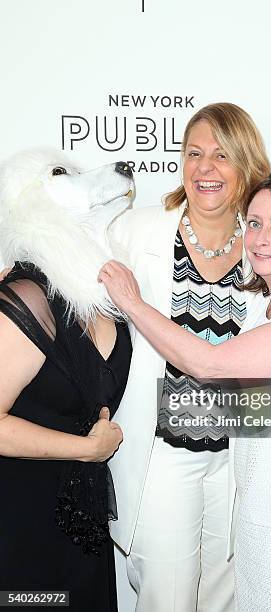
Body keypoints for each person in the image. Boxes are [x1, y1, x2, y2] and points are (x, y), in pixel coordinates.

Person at [106, 103, 271, 612]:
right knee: (168, 594)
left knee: (232, 594)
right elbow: (72, 274)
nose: (205, 168)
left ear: (245, 163)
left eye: (221, 154)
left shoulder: (262, 247)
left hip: (240, 457)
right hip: (166, 446)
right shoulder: (135, 232)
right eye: (193, 153)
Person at [0, 153, 133, 612]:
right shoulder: (25, 298)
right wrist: (85, 449)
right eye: (60, 175)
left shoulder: (106, 295)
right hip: (21, 519)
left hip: (83, 516)